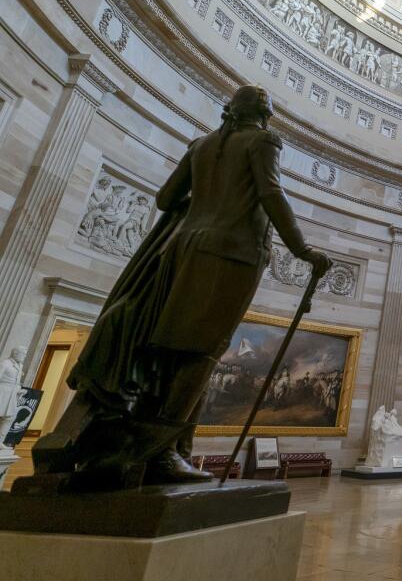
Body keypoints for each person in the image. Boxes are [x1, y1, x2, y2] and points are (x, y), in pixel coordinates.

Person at [27, 86, 330, 488]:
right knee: (201, 351)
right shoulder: (263, 140)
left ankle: (173, 448)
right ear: (263, 116)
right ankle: (160, 453)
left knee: (169, 345)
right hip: (231, 254)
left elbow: (166, 198)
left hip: (180, 249)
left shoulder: (201, 145)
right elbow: (271, 192)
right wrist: (302, 249)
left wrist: (206, 199)